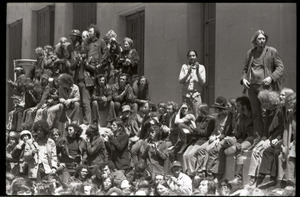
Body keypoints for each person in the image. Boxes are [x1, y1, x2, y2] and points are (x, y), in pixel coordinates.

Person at [241, 30, 285, 139]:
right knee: (256, 113)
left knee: (266, 112)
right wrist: (243, 79)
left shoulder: (272, 51)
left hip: (265, 86)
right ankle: (257, 137)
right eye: (259, 39)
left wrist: (271, 77)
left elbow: (280, 67)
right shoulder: (250, 53)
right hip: (252, 86)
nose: (262, 41)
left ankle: (266, 136)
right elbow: (245, 69)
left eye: (263, 39)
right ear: (255, 40)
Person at [247, 90, 284, 187]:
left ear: (272, 101)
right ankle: (252, 177)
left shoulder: (279, 111)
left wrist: (270, 139)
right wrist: (263, 139)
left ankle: (259, 179)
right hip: (268, 138)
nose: (263, 104)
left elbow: (281, 128)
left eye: (266, 102)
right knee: (256, 149)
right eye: (262, 102)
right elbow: (265, 129)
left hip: (276, 138)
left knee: (260, 151)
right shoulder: (268, 112)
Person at [182, 103, 215, 176]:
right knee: (185, 155)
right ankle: (186, 172)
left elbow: (206, 133)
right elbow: (196, 130)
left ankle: (192, 173)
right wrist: (191, 130)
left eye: (199, 111)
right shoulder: (199, 119)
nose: (197, 112)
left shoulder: (210, 120)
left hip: (203, 140)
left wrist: (195, 129)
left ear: (203, 111)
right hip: (195, 140)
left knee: (191, 154)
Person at [179, 50, 206, 117]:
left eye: (193, 55)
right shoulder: (184, 67)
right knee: (185, 116)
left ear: (196, 57)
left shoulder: (201, 67)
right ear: (188, 57)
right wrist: (188, 73)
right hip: (186, 96)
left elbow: (203, 82)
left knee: (197, 115)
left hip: (196, 96)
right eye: (190, 56)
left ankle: (197, 127)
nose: (192, 57)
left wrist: (197, 72)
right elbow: (180, 81)